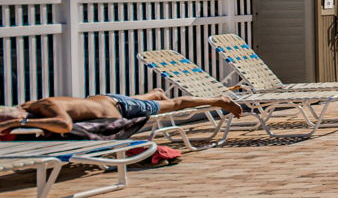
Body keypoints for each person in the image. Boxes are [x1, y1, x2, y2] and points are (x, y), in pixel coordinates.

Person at [0, 90, 244, 139]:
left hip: (120, 108)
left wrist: (21, 122)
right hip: (105, 100)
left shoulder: (46, 107)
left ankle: (218, 100)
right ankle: (152, 94)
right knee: (142, 100)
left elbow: (63, 125)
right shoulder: (29, 105)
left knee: (176, 103)